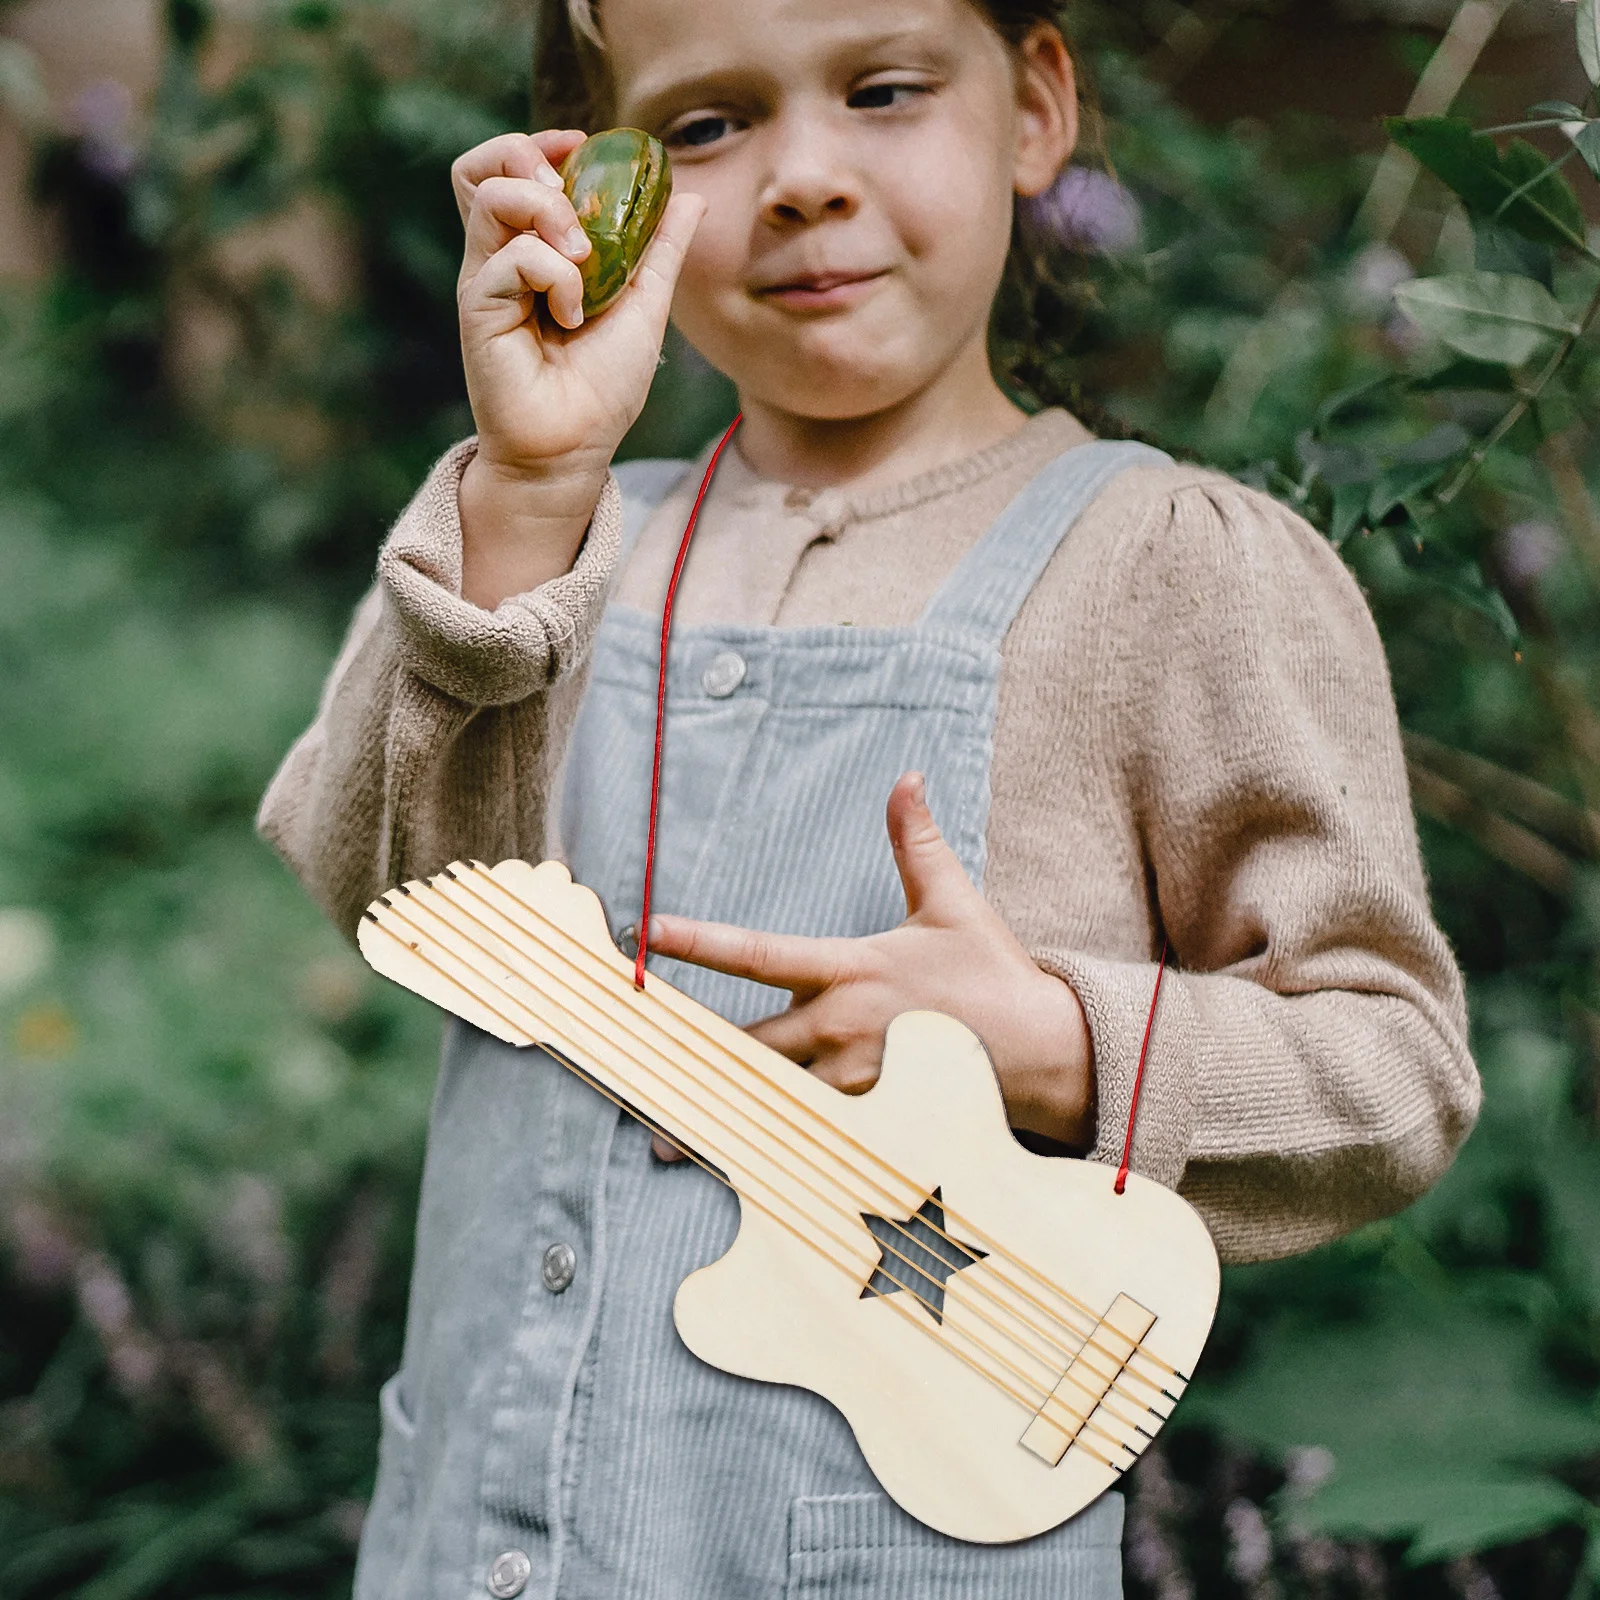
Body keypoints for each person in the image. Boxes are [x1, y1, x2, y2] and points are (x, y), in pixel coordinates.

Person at [256, 0, 1482, 1592]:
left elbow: (1392, 1068)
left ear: (1033, 108)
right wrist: (532, 490)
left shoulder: (1169, 572)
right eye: (705, 126)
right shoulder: (537, 541)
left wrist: (1059, 1043)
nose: (802, 177)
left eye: (884, 90)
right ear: (597, 178)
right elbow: (388, 896)